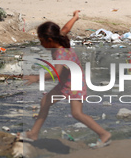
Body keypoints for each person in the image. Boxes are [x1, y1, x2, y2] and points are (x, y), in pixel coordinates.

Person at [19, 10, 112, 148]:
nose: (41, 44)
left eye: (41, 41)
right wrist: (75, 17)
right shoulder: (59, 38)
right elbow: (66, 28)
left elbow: (56, 73)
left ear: (49, 40)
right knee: (45, 101)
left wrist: (37, 78)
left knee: (77, 113)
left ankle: (104, 134)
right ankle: (34, 133)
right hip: (67, 82)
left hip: (75, 84)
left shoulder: (61, 54)